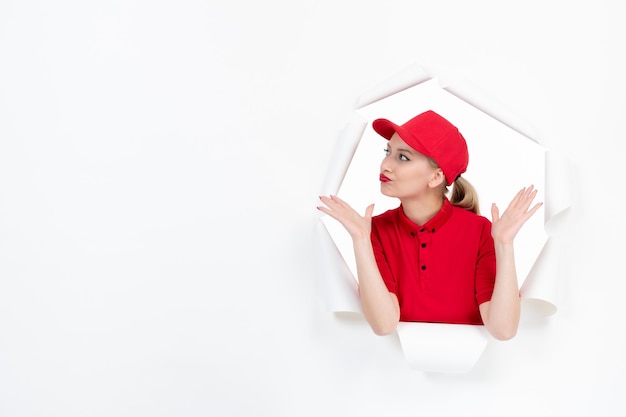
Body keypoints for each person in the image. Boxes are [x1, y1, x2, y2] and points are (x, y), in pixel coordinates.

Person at [317, 110, 542, 341]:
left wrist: (504, 244)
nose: (385, 165)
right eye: (388, 152)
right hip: (394, 371)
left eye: (403, 157)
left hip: (473, 371)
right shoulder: (375, 230)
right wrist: (361, 240)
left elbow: (503, 330)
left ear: (435, 177)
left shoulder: (481, 231)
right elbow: (384, 324)